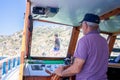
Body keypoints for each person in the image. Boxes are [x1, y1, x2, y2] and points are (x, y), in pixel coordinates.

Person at [54, 13, 109, 80]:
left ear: (85, 25)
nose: (82, 27)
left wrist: (61, 73)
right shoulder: (104, 41)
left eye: (82, 25)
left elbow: (76, 69)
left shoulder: (85, 40)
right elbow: (92, 62)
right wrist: (66, 67)